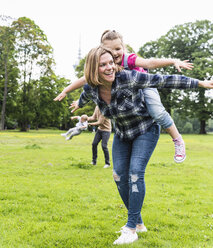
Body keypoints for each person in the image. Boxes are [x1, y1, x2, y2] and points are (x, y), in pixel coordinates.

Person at [70, 46, 213, 245]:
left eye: (111, 62)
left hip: (145, 129)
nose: (110, 67)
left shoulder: (128, 78)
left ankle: (130, 229)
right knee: (119, 177)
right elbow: (84, 97)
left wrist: (202, 84)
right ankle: (138, 223)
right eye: (103, 65)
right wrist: (77, 103)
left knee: (135, 173)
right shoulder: (91, 89)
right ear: (93, 69)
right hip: (122, 133)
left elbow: (165, 81)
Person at [54, 30, 193, 163]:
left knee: (156, 111)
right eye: (110, 50)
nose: (114, 53)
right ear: (103, 50)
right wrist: (66, 91)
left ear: (123, 47)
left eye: (118, 49)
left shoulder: (128, 59)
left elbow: (150, 63)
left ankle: (177, 139)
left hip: (144, 85)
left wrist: (173, 61)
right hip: (129, 93)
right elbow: (85, 79)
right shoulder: (105, 63)